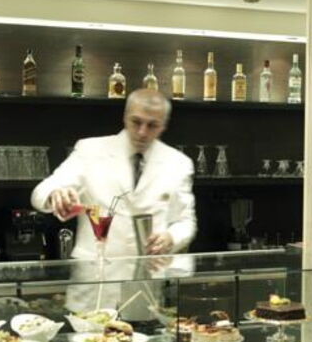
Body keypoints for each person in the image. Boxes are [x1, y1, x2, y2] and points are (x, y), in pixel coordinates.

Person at [30, 88, 196, 313]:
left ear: (163, 126)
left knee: (144, 334)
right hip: (95, 283)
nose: (142, 132)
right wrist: (55, 194)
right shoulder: (90, 150)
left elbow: (186, 222)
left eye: (152, 125)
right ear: (125, 117)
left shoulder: (178, 163)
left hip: (145, 284)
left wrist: (171, 237)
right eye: (136, 122)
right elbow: (41, 192)